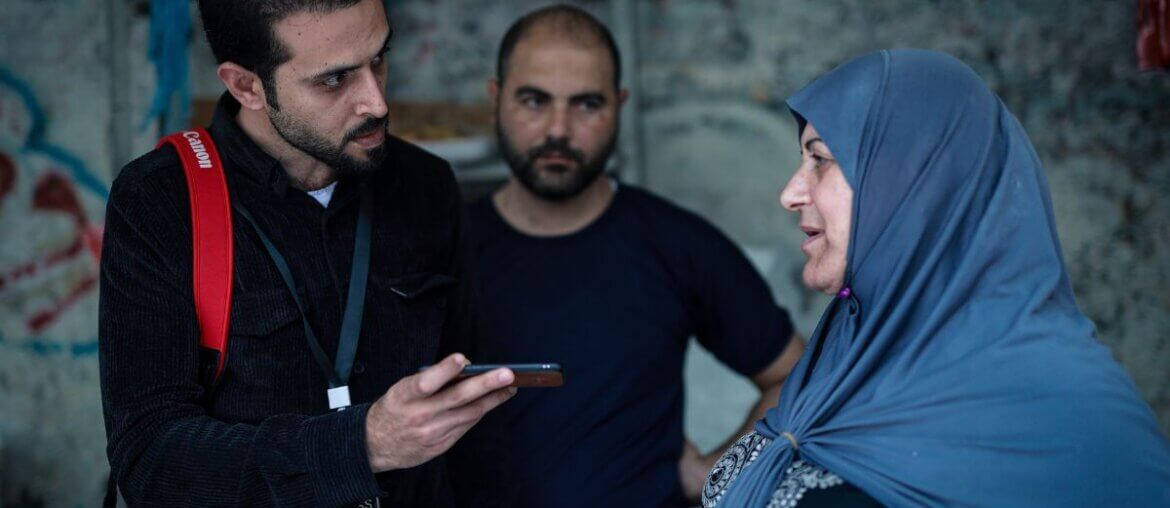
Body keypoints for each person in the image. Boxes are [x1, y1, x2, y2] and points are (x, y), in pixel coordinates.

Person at [702, 49, 1170, 507]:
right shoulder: (846, 349)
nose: (790, 192)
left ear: (907, 184)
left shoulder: (1074, 416)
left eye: (820, 159)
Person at [98, 1, 516, 506]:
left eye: (379, 58)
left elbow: (477, 434)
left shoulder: (426, 185)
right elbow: (150, 462)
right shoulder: (159, 200)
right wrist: (362, 445)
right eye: (335, 80)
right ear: (246, 86)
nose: (377, 102)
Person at [468, 5, 805, 506]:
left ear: (619, 106)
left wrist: (716, 472)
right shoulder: (442, 248)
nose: (558, 129)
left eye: (586, 105)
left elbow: (794, 378)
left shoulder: (677, 245)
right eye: (535, 101)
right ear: (496, 100)